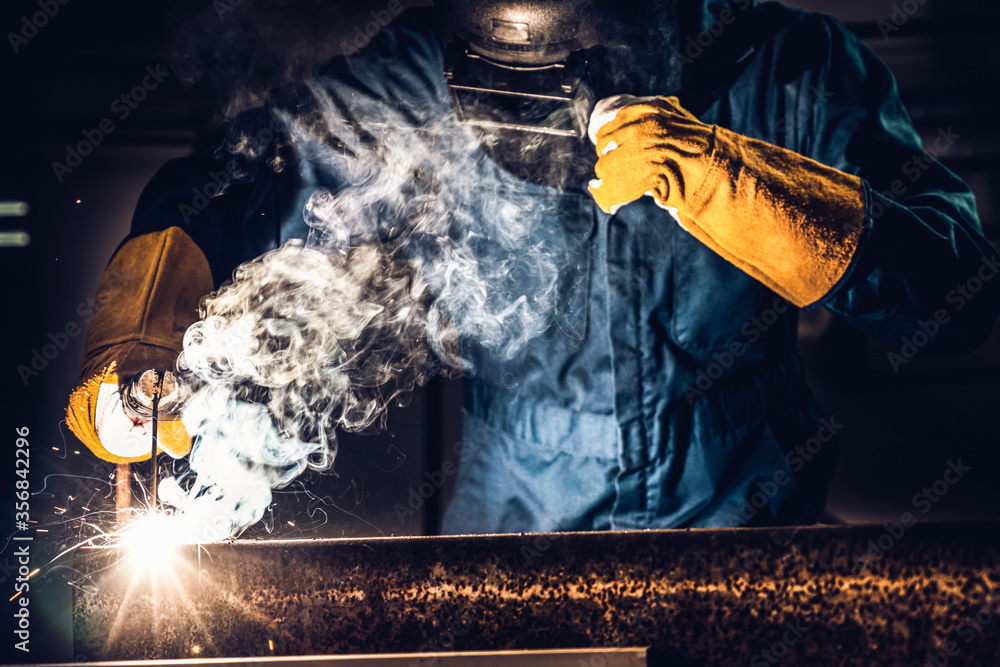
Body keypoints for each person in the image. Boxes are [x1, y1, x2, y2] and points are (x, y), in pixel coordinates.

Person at [67, 0, 999, 535]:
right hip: (513, 514)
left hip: (741, 502)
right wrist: (138, 331)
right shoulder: (414, 76)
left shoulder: (787, 67)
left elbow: (958, 297)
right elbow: (230, 177)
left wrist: (737, 180)